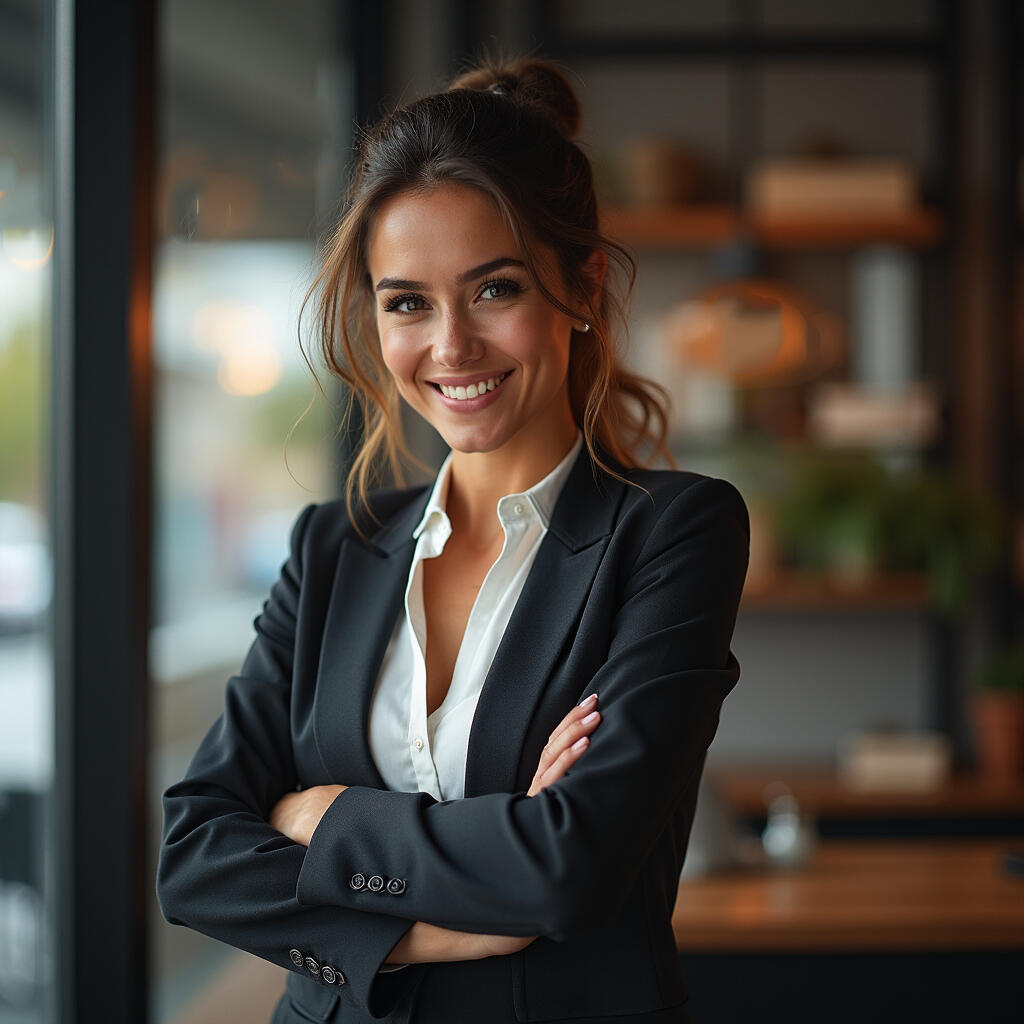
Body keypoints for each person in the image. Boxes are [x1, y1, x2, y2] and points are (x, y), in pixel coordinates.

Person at [156, 55, 749, 1024]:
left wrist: (318, 816)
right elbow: (193, 854)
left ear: (581, 286)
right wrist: (456, 915)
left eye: (493, 289)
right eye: (406, 302)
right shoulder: (331, 548)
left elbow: (569, 868)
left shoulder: (672, 531)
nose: (449, 347)